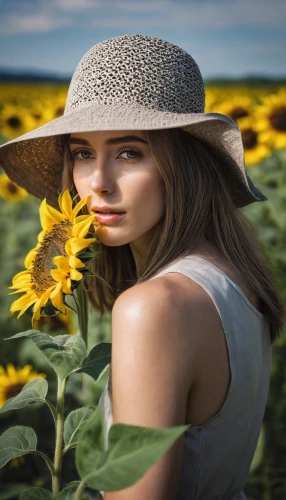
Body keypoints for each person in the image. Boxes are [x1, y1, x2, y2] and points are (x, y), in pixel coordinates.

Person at [0, 34, 285, 500]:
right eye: (82, 153)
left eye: (129, 152)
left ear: (183, 162)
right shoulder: (233, 276)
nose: (98, 184)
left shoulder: (154, 308)